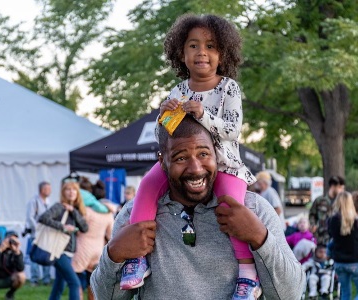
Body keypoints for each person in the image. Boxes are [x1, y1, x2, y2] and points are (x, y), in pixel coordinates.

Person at [90, 114, 305, 299]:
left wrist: (260, 238)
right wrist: (114, 254)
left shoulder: (254, 209)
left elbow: (290, 295)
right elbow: (105, 297)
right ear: (163, 161)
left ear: (216, 154)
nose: (195, 168)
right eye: (181, 157)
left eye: (203, 154)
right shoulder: (134, 215)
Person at [120, 14, 258, 298]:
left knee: (231, 205)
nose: (201, 53)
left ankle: (247, 273)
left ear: (223, 53)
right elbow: (169, 134)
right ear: (181, 55)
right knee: (147, 185)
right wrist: (164, 115)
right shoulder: (179, 90)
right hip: (183, 161)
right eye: (193, 46)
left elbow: (232, 130)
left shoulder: (228, 88)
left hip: (224, 164)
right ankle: (137, 259)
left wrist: (202, 114)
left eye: (210, 46)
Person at [38, 181, 88, 300]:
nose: (71, 192)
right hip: (59, 251)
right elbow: (43, 218)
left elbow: (85, 228)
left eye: (74, 190)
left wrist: (73, 211)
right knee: (74, 283)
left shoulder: (75, 210)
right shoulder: (59, 207)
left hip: (69, 252)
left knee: (59, 285)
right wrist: (63, 227)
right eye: (68, 190)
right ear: (63, 192)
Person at [72, 184, 114, 300]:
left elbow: (78, 229)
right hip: (98, 249)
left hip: (82, 248)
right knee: (93, 282)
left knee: (77, 281)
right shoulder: (108, 212)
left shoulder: (86, 211)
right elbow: (111, 235)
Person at [327, 191, 358, 300]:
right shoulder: (355, 221)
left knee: (345, 293)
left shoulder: (331, 220)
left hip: (339, 262)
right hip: (354, 261)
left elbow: (332, 238)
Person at [25, 181, 52, 286]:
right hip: (36, 234)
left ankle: (46, 279)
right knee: (34, 257)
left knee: (46, 256)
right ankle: (34, 279)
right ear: (42, 190)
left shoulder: (48, 202)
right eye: (47, 189)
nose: (49, 191)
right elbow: (30, 217)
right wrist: (37, 229)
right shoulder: (33, 201)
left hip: (47, 233)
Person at [309, 175, 345, 246]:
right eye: (340, 188)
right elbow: (312, 215)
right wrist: (313, 225)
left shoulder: (343, 202)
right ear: (333, 186)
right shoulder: (319, 200)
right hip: (321, 238)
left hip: (337, 239)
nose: (342, 190)